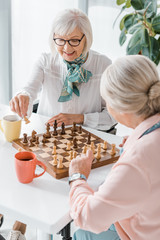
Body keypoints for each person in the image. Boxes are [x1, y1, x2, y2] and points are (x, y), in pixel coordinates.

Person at [69, 55, 160, 240]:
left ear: (122, 109)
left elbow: (87, 216)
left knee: (74, 231)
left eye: (107, 102)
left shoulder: (137, 160)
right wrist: (138, 140)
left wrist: (77, 176)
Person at [9, 8, 116, 131]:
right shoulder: (45, 61)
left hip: (86, 139)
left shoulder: (103, 65)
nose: (67, 48)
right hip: (47, 135)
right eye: (60, 40)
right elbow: (28, 90)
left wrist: (79, 118)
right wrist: (22, 96)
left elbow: (112, 116)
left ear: (86, 38)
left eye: (74, 40)